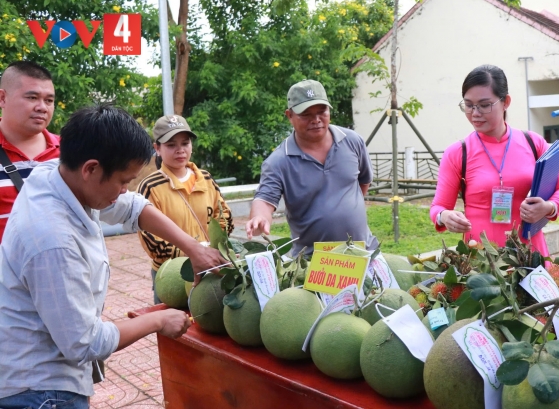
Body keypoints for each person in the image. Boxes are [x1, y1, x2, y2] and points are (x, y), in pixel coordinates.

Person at [0, 104, 226, 408]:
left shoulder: (57, 174)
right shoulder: (52, 241)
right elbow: (85, 342)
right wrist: (158, 321)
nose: (124, 190)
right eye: (122, 181)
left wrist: (194, 248)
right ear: (91, 168)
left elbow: (132, 207)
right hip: (40, 392)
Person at [430, 65, 559, 256]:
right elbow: (438, 207)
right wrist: (444, 216)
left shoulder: (533, 143)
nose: (475, 113)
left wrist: (548, 207)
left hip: (529, 256)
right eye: (469, 105)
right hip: (481, 261)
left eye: (484, 104)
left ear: (505, 102)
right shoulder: (457, 152)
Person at [245, 79, 377, 255]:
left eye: (322, 112)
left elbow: (363, 182)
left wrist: (345, 209)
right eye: (306, 115)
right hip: (314, 262)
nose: (316, 120)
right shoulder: (278, 161)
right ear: (289, 115)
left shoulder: (352, 141)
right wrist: (259, 217)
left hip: (364, 251)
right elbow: (264, 200)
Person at [138, 115, 233, 304]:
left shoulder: (206, 179)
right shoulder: (150, 186)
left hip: (209, 269)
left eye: (185, 143)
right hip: (171, 275)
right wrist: (194, 253)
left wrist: (210, 251)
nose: (180, 150)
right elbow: (152, 241)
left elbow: (225, 219)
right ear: (157, 148)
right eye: (171, 145)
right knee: (171, 327)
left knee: (207, 322)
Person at [0, 61, 61, 241]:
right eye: (32, 97)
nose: (42, 107)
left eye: (49, 100)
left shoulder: (70, 152)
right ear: (2, 98)